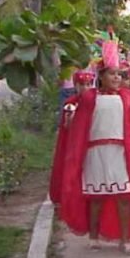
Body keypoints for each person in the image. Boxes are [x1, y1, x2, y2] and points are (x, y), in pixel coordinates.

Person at [58, 41, 130, 255]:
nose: (117, 78)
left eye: (120, 74)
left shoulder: (127, 97)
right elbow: (75, 116)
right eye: (112, 74)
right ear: (101, 76)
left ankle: (126, 240)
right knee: (96, 198)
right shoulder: (89, 97)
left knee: (124, 197)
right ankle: (93, 237)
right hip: (95, 152)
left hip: (120, 153)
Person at [49, 69, 96, 205]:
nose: (85, 88)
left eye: (88, 84)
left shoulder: (95, 102)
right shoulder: (71, 103)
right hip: (74, 142)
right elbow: (67, 126)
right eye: (82, 85)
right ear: (76, 86)